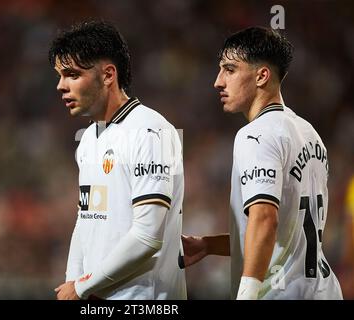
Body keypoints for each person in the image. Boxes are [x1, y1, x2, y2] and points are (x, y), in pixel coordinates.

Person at [182, 26, 343, 300]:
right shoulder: (309, 133)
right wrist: (209, 245)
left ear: (261, 76)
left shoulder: (255, 134)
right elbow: (285, 234)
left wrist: (247, 294)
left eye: (230, 70)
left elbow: (265, 220)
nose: (218, 81)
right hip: (323, 290)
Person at [50, 20, 186, 300]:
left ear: (108, 75)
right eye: (59, 76)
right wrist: (73, 282)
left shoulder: (151, 131)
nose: (60, 86)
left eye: (72, 74)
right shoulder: (88, 138)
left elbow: (148, 237)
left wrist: (83, 287)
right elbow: (85, 219)